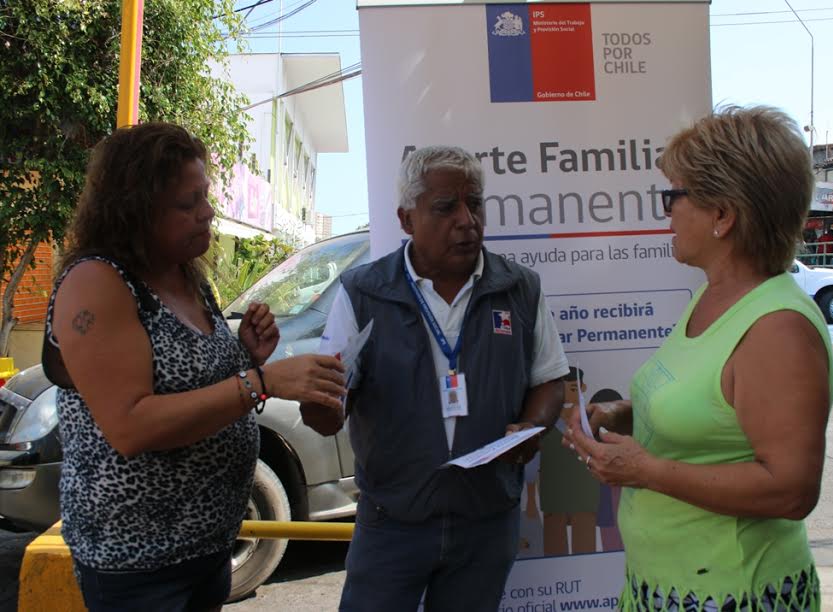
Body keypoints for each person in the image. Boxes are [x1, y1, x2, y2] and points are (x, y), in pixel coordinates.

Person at [45, 122, 346, 612]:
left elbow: (187, 383)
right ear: (134, 211)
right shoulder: (98, 283)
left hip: (205, 550)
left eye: (204, 195)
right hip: (139, 566)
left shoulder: (185, 276)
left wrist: (245, 354)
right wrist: (261, 381)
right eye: (188, 204)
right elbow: (130, 424)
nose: (207, 212)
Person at [564, 106, 833, 611]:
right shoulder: (713, 297)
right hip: (668, 585)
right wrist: (630, 416)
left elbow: (791, 489)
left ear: (723, 215)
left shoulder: (777, 329)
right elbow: (712, 415)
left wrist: (644, 470)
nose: (666, 212)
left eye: (674, 197)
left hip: (732, 593)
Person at [301, 145, 569, 611]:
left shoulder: (519, 288)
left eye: (476, 203)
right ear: (406, 220)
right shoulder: (363, 294)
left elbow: (549, 381)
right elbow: (328, 408)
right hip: (392, 522)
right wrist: (318, 403)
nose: (467, 220)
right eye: (446, 207)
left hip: (485, 523)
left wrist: (533, 425)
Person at [538, 367, 600, 555]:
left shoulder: (592, 420)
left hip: (584, 494)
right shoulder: (544, 420)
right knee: (554, 550)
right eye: (562, 390)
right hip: (553, 496)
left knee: (585, 548)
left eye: (572, 389)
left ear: (583, 387)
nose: (566, 395)